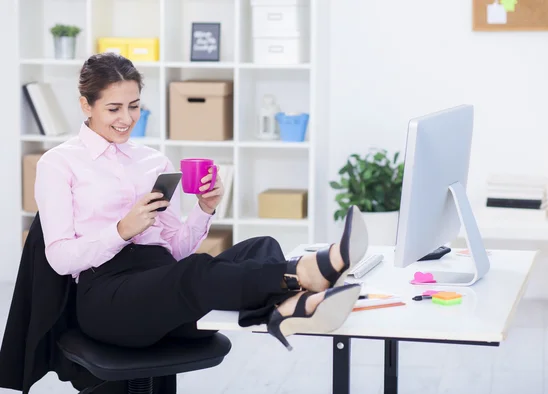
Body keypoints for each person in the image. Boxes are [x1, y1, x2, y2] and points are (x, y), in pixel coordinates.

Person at [34, 52, 369, 351]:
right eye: (113, 108)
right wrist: (122, 230)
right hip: (109, 300)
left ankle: (287, 309)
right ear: (85, 105)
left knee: (259, 246)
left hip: (167, 286)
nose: (127, 118)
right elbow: (60, 259)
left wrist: (205, 208)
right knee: (194, 273)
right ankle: (304, 276)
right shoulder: (59, 163)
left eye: (134, 106)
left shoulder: (153, 161)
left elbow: (177, 250)